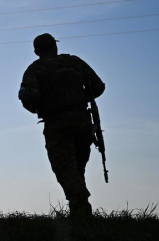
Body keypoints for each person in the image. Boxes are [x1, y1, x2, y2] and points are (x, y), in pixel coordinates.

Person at [18, 33, 105, 219]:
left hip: (57, 125)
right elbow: (98, 86)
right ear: (54, 47)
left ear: (36, 51)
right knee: (77, 167)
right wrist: (80, 100)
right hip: (82, 123)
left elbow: (28, 98)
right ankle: (80, 213)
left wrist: (44, 107)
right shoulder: (74, 62)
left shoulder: (35, 69)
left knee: (65, 168)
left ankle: (81, 208)